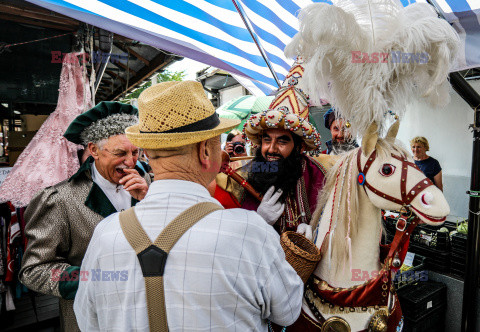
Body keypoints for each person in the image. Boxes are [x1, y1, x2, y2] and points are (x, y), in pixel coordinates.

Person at [73, 80, 303, 331]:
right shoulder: (250, 231)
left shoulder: (105, 234)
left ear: (147, 152)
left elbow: (87, 322)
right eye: (217, 144)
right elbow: (288, 312)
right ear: (205, 151)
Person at [19, 102, 151, 331]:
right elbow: (34, 270)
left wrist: (148, 202)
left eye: (135, 152)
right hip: (90, 320)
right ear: (94, 149)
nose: (131, 162)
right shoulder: (59, 200)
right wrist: (98, 279)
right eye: (120, 153)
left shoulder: (146, 184)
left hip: (143, 313)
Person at [215, 59, 328, 234]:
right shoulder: (239, 177)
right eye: (267, 140)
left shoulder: (318, 175)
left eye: (282, 141)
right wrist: (258, 221)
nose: (271, 149)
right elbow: (227, 233)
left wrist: (316, 231)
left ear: (299, 147)